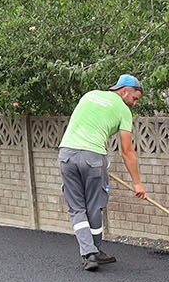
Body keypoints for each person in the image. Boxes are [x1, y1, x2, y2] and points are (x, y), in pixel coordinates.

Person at [59, 74, 147, 271]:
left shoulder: (89, 95)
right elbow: (127, 151)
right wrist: (137, 183)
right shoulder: (123, 110)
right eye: (135, 98)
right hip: (93, 158)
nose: (134, 103)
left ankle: (90, 253)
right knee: (94, 206)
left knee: (76, 208)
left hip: (66, 155)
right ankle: (93, 251)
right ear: (125, 91)